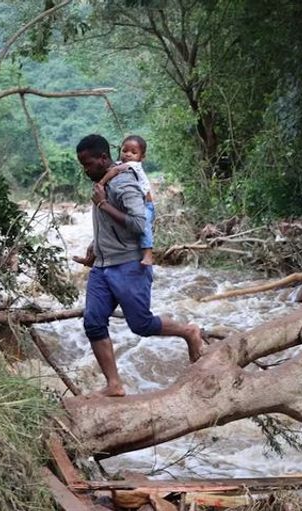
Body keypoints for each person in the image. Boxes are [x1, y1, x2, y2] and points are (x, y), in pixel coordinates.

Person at [72, 134, 204, 397]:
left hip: (129, 266)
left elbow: (139, 224)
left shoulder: (124, 183)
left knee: (141, 325)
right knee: (93, 322)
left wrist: (104, 204)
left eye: (88, 163)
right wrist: (94, 247)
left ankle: (189, 331)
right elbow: (108, 224)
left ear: (103, 157)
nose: (85, 169)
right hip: (102, 266)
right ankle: (114, 385)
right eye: (82, 165)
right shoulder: (101, 183)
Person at [98, 135, 155, 265]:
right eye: (125, 151)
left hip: (147, 205)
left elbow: (115, 170)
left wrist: (101, 182)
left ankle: (148, 254)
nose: (128, 154)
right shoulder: (122, 164)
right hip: (141, 203)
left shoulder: (133, 165)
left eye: (134, 152)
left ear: (142, 157)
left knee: (144, 228)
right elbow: (114, 168)